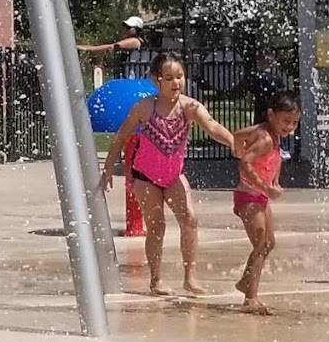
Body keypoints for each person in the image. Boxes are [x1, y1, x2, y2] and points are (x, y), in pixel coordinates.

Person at [100, 52, 238, 296]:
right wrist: (109, 167)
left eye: (180, 76)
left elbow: (213, 127)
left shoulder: (190, 107)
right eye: (169, 78)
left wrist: (233, 142)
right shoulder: (144, 108)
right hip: (145, 178)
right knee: (157, 227)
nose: (176, 82)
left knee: (190, 220)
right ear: (156, 80)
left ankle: (190, 277)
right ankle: (156, 279)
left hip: (174, 177)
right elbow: (122, 136)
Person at [232, 91, 302, 316]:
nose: (289, 127)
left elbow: (237, 134)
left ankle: (246, 281)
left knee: (269, 243)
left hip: (259, 196)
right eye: (285, 121)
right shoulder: (265, 139)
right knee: (261, 244)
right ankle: (250, 298)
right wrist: (265, 186)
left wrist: (275, 181)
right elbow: (245, 163)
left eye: (294, 123)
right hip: (249, 197)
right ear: (271, 115)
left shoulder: (267, 131)